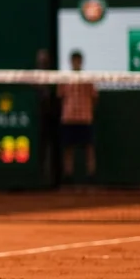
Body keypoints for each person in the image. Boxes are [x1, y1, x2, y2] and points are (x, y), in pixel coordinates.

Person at [56, 50, 97, 184]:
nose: (76, 63)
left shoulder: (88, 79)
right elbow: (60, 95)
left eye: (78, 60)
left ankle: (91, 176)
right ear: (71, 62)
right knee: (68, 148)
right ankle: (68, 176)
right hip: (68, 118)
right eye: (74, 60)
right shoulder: (65, 79)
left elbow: (95, 96)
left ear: (81, 61)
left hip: (85, 118)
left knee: (89, 148)